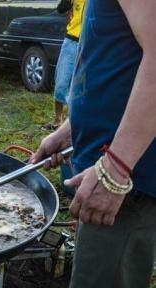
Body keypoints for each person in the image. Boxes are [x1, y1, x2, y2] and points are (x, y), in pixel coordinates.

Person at [30, 0, 156, 287]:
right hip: (109, 168)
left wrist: (117, 169)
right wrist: (72, 128)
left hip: (128, 182)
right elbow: (118, 63)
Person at [45, 0, 84, 129]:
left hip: (89, 44)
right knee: (61, 82)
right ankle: (57, 120)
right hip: (71, 42)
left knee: (80, 86)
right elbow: (61, 9)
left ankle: (72, 124)